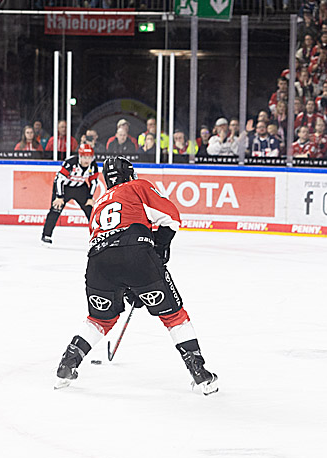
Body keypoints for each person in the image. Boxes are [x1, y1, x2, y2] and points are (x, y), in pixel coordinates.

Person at [54, 157, 218, 395]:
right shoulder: (137, 186)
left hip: (98, 264)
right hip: (136, 256)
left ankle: (67, 364)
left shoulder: (99, 202)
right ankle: (199, 373)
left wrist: (129, 286)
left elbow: (103, 241)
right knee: (173, 316)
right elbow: (170, 218)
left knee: (99, 319)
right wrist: (158, 250)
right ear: (129, 174)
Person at [41, 142, 101, 244]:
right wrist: (59, 196)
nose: (87, 160)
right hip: (65, 187)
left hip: (80, 188)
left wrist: (90, 197)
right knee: (55, 208)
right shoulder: (71, 162)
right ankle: (46, 235)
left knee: (91, 211)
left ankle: (98, 236)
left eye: (89, 157)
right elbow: (59, 180)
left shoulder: (93, 165)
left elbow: (94, 182)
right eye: (84, 157)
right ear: (80, 156)